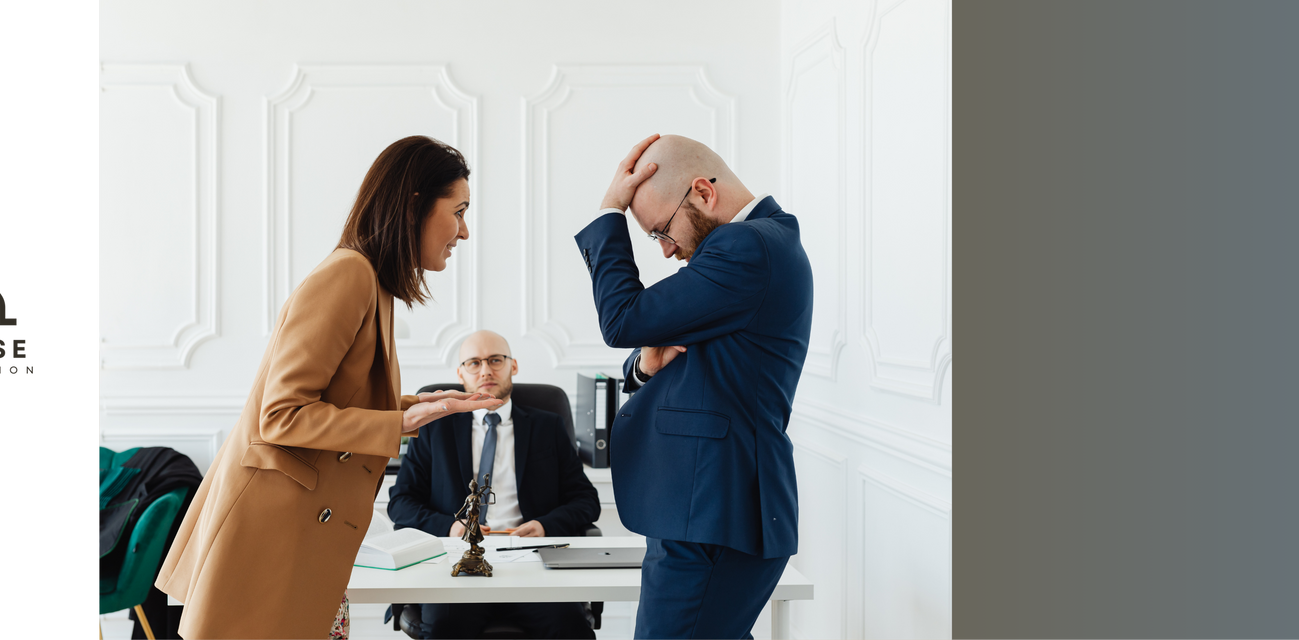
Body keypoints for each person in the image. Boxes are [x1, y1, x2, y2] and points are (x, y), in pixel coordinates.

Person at [156, 135, 505, 639]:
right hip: (272, 542)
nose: (464, 231)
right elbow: (280, 414)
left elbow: (332, 400)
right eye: (459, 211)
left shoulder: (373, 282)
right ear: (414, 206)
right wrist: (399, 421)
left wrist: (414, 407)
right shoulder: (349, 275)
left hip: (300, 538)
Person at [573, 134, 813, 639]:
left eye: (662, 231)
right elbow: (667, 350)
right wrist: (645, 368)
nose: (666, 251)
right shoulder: (755, 250)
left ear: (703, 192)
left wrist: (610, 210)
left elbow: (624, 318)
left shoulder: (746, 246)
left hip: (712, 516)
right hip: (706, 511)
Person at [387, 329, 600, 639]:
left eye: (495, 360)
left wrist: (545, 525)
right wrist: (452, 527)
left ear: (513, 365)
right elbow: (401, 503)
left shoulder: (547, 426)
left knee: (569, 627)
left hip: (531, 563)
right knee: (445, 627)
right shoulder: (435, 429)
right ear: (460, 374)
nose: (485, 370)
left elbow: (586, 500)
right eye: (474, 363)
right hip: (457, 564)